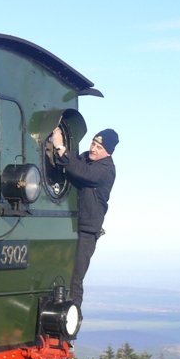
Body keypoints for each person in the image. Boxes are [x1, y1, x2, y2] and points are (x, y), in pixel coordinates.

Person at [49, 126, 118, 308]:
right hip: (70, 224)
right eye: (93, 144)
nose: (94, 149)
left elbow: (81, 172)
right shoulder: (86, 158)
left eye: (99, 148)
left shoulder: (106, 170)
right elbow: (71, 165)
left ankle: (71, 318)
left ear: (108, 152)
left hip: (87, 230)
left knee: (75, 278)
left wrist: (60, 147)